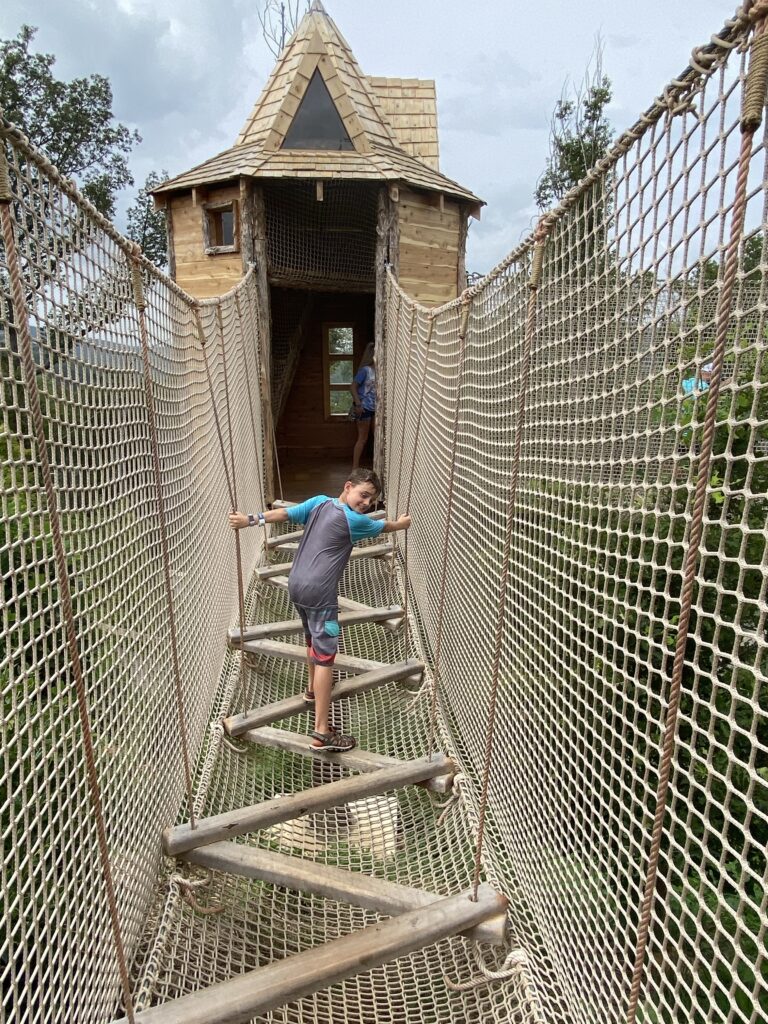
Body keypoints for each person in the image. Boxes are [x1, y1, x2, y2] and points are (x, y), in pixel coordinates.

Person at [228, 468, 411, 752]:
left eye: (371, 500)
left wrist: (250, 520)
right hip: (320, 592)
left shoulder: (319, 502)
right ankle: (322, 732)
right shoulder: (355, 521)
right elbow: (383, 528)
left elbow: (284, 515)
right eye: (363, 495)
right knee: (326, 656)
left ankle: (312, 691)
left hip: (296, 583)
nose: (365, 503)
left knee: (311, 639)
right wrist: (400, 525)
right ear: (348, 486)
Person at [350, 343, 376, 470]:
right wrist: (358, 404)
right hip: (364, 407)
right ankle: (355, 468)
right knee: (362, 438)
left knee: (377, 437)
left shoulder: (380, 372)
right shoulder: (365, 370)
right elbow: (353, 387)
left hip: (376, 409)